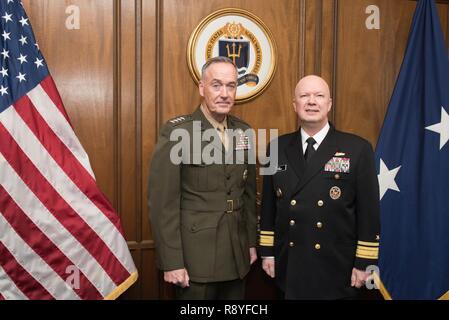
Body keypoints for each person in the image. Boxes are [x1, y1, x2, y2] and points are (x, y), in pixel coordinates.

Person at [259, 75, 380, 299]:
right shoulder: (276, 147)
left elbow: (369, 212)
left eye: (319, 95)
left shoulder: (357, 148)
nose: (311, 101)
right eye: (304, 96)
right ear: (295, 105)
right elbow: (268, 208)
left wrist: (364, 262)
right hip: (290, 264)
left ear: (329, 104)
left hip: (337, 267)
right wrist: (267, 252)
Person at [148, 56, 257, 300]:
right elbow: (163, 204)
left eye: (231, 86)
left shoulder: (244, 131)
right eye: (216, 85)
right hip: (195, 259)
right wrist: (172, 261)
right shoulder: (179, 132)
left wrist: (250, 242)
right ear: (202, 88)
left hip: (236, 255)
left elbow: (248, 194)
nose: (225, 93)